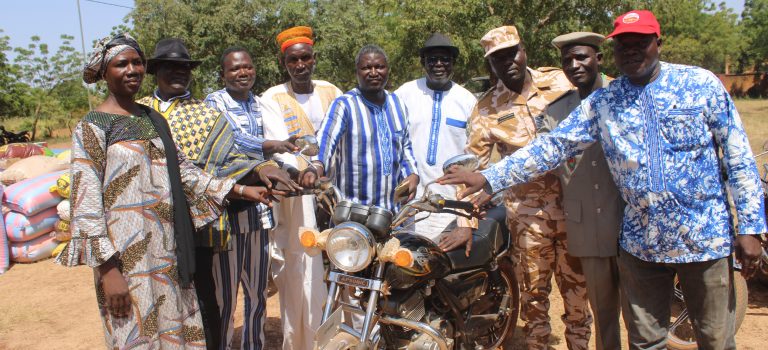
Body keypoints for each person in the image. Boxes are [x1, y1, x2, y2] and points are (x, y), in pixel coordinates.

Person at [440, 10, 767, 350]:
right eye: (622, 44)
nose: (630, 50)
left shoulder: (700, 85)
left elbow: (738, 157)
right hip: (642, 245)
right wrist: (490, 177)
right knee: (645, 341)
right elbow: (553, 146)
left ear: (658, 42)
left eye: (639, 42)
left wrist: (750, 227)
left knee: (715, 339)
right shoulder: (605, 102)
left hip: (703, 239)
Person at [55, 33, 276, 349]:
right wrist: (107, 270)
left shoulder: (152, 120)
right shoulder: (92, 127)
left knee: (177, 335)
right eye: (121, 64)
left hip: (169, 253)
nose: (131, 70)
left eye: (136, 62)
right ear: (104, 72)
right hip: (126, 261)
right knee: (134, 333)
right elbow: (86, 203)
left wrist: (240, 190)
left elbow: (186, 174)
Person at [139, 38, 299, 350]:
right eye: (170, 66)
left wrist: (263, 168)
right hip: (151, 221)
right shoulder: (140, 111)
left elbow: (230, 158)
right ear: (156, 70)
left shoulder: (205, 114)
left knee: (206, 299)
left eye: (184, 68)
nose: (179, 73)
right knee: (156, 298)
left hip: (200, 223)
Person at [454, 25, 592, 349]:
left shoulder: (561, 81)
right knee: (533, 302)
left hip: (577, 212)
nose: (508, 62)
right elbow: (471, 172)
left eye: (512, 52)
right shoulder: (486, 109)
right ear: (491, 65)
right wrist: (464, 223)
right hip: (528, 220)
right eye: (498, 58)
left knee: (578, 302)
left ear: (524, 49)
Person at [204, 47, 299, 349]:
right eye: (234, 69)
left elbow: (274, 158)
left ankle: (253, 345)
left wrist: (292, 172)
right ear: (223, 74)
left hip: (259, 215)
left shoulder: (261, 105)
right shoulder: (214, 101)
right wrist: (273, 145)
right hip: (229, 213)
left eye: (247, 67)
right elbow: (230, 139)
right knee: (226, 298)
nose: (242, 73)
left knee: (258, 295)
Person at [544, 31, 627, 350]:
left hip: (627, 224)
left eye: (582, 57)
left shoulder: (624, 96)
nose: (574, 64)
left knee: (639, 313)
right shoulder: (556, 112)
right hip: (585, 227)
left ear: (600, 59)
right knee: (603, 313)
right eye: (567, 60)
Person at [261, 26, 342, 350]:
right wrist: (308, 172)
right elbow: (281, 149)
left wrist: (324, 171)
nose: (299, 65)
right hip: (300, 201)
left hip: (335, 195)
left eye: (305, 57)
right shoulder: (272, 97)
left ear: (313, 58)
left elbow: (341, 138)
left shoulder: (331, 90)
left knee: (341, 266)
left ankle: (341, 339)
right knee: (302, 274)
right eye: (293, 59)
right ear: (285, 63)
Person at [393, 32, 477, 244]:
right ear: (423, 63)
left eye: (445, 59)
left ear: (453, 63)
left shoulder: (467, 100)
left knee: (444, 271)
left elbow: (476, 159)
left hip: (450, 205)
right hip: (409, 205)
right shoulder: (405, 94)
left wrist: (465, 220)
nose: (439, 64)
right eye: (432, 59)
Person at [315, 44, 420, 212]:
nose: (373, 73)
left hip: (391, 213)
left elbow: (405, 147)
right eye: (366, 68)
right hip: (352, 213)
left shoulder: (397, 103)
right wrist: (316, 166)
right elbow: (326, 139)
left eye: (379, 67)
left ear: (387, 69)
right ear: (357, 72)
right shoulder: (345, 105)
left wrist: (413, 175)